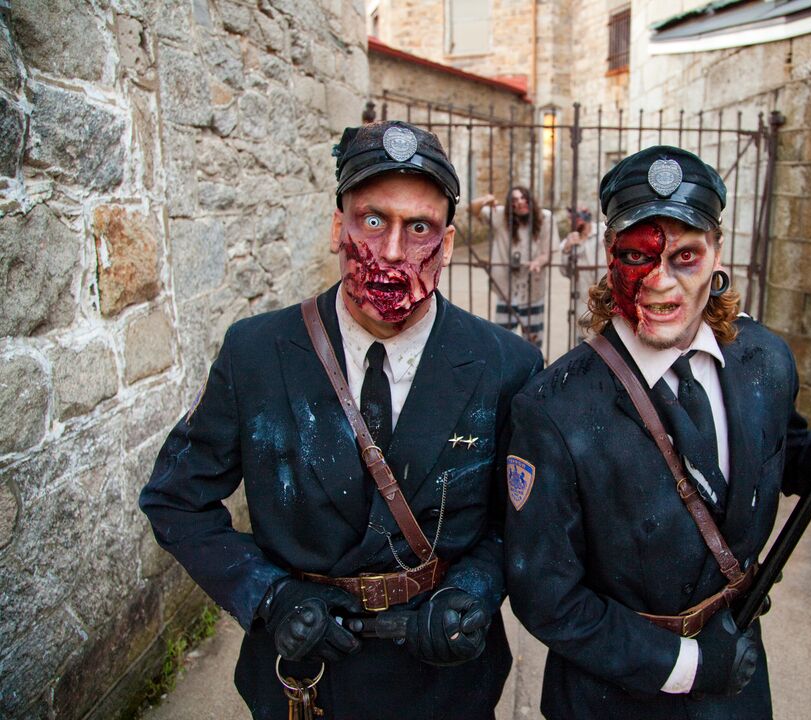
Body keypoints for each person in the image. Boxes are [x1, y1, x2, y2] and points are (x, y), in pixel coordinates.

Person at [140, 120, 543, 720]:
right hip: (303, 679)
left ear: (450, 243)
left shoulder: (505, 363)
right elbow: (176, 498)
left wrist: (474, 591)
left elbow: (521, 521)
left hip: (446, 682)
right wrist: (270, 597)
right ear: (338, 227)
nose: (391, 251)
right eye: (373, 220)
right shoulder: (257, 354)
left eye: (420, 228)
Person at [504, 145, 811, 719]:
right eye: (639, 256)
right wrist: (685, 664)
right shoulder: (554, 407)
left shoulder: (762, 358)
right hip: (613, 695)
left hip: (737, 679)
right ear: (610, 260)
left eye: (686, 256)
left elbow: (778, 457)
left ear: (718, 256)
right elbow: (546, 597)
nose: (661, 283)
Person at [469, 186, 553, 348]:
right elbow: (472, 208)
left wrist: (538, 262)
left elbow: (547, 252)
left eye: (523, 198)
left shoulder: (544, 218)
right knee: (503, 340)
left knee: (533, 341)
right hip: (506, 289)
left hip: (532, 288)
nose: (520, 202)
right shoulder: (500, 216)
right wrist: (486, 199)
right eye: (514, 200)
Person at [558, 206, 606, 341]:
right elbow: (565, 272)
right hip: (582, 302)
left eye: (576, 217)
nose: (572, 221)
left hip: (605, 299)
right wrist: (567, 249)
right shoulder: (569, 241)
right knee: (583, 344)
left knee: (607, 344)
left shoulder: (603, 231)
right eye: (570, 218)